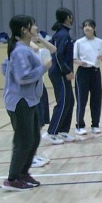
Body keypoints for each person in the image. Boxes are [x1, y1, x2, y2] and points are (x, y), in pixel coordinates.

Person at [1, 15, 52, 191]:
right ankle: (12, 179)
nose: (36, 28)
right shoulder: (20, 51)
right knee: (23, 140)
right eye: (33, 25)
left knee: (34, 138)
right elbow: (23, 77)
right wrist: (44, 67)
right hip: (20, 101)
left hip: (30, 100)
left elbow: (5, 67)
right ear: (24, 30)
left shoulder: (22, 49)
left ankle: (23, 173)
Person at [45, 8, 76, 145]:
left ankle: (63, 130)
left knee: (70, 101)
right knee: (63, 101)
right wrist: (67, 70)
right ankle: (51, 132)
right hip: (59, 73)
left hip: (63, 72)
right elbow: (58, 55)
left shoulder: (64, 34)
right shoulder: (62, 35)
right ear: (68, 17)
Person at [73, 19, 102, 135]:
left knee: (96, 99)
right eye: (85, 26)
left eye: (89, 26)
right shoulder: (79, 42)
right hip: (83, 72)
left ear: (94, 28)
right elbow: (74, 59)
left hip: (95, 71)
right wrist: (80, 62)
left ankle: (95, 125)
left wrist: (101, 58)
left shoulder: (100, 42)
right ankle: (80, 126)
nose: (87, 28)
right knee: (81, 99)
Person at [29, 28, 56, 168]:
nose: (36, 30)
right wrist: (31, 40)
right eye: (33, 28)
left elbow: (53, 49)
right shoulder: (22, 48)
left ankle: (34, 153)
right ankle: (29, 157)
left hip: (40, 87)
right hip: (29, 90)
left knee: (39, 124)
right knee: (32, 125)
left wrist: (40, 39)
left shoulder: (41, 50)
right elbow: (33, 48)